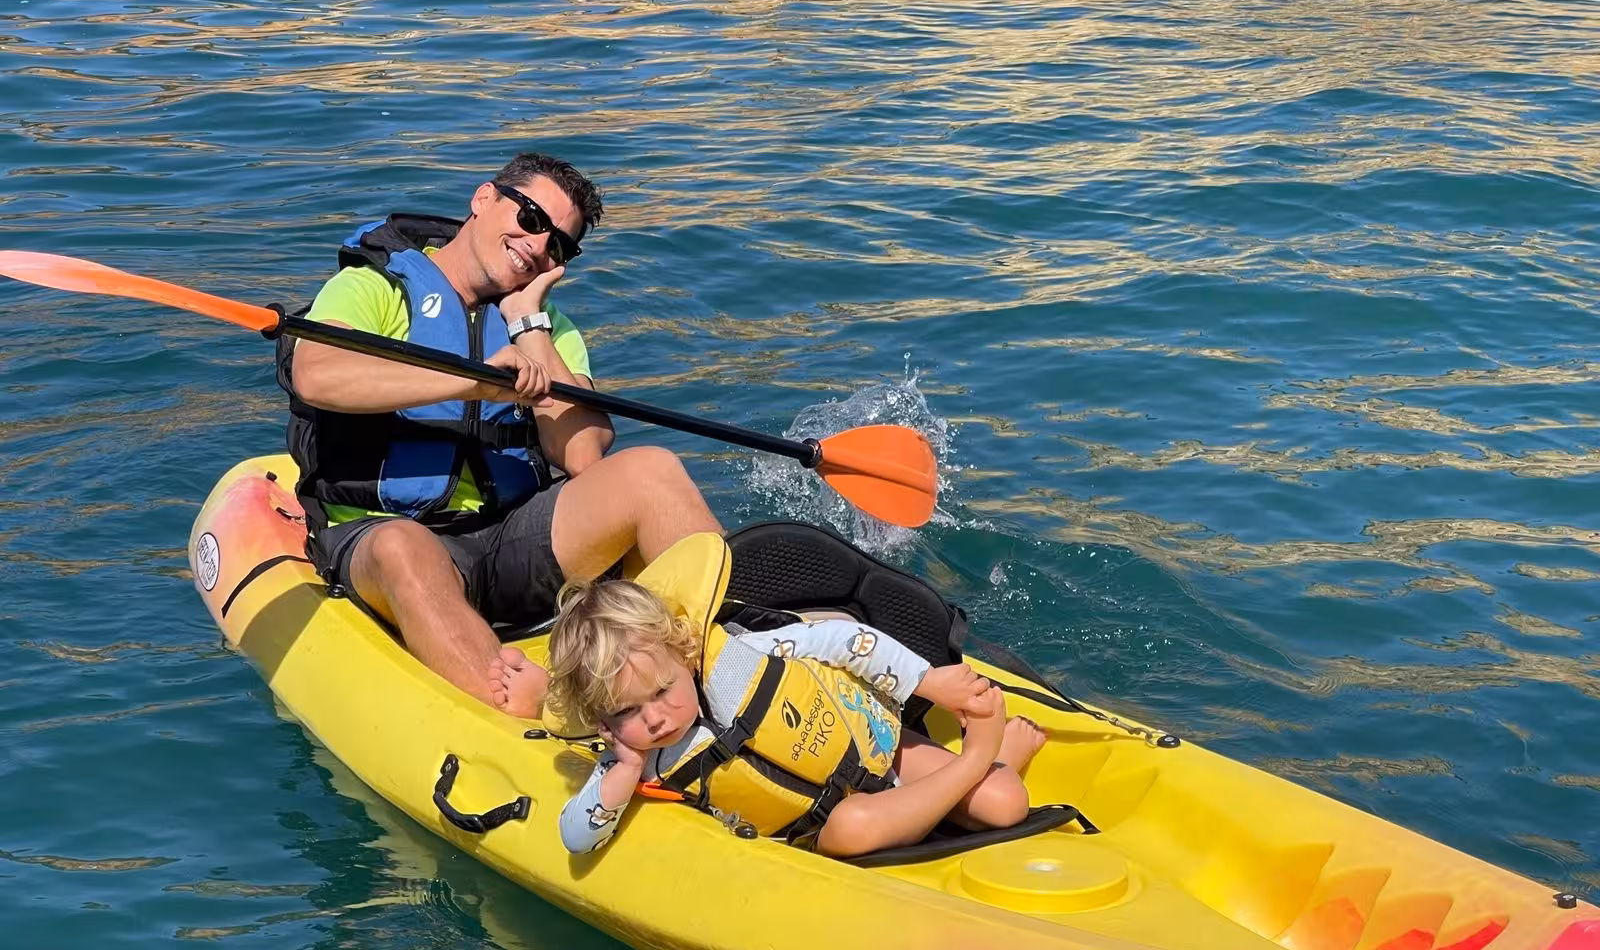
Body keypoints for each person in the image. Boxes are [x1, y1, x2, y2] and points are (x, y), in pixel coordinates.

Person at [278, 152, 721, 718]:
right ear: (484, 199)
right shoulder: (376, 286)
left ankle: (728, 667)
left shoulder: (546, 323)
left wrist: (528, 327)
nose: (538, 246)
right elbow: (318, 373)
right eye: (532, 218)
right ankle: (533, 718)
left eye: (559, 245)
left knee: (651, 470)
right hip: (388, 535)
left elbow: (584, 454)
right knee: (402, 548)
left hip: (508, 538)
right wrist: (476, 383)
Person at [546, 569, 1047, 859]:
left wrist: (928, 681)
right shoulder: (632, 760)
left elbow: (845, 641)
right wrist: (627, 770)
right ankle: (982, 756)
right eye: (628, 711)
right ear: (603, 720)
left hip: (879, 753)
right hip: (825, 828)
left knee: (1006, 803)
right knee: (852, 826)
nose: (655, 718)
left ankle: (988, 760)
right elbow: (577, 837)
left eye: (662, 690)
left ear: (686, 652)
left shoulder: (747, 655)